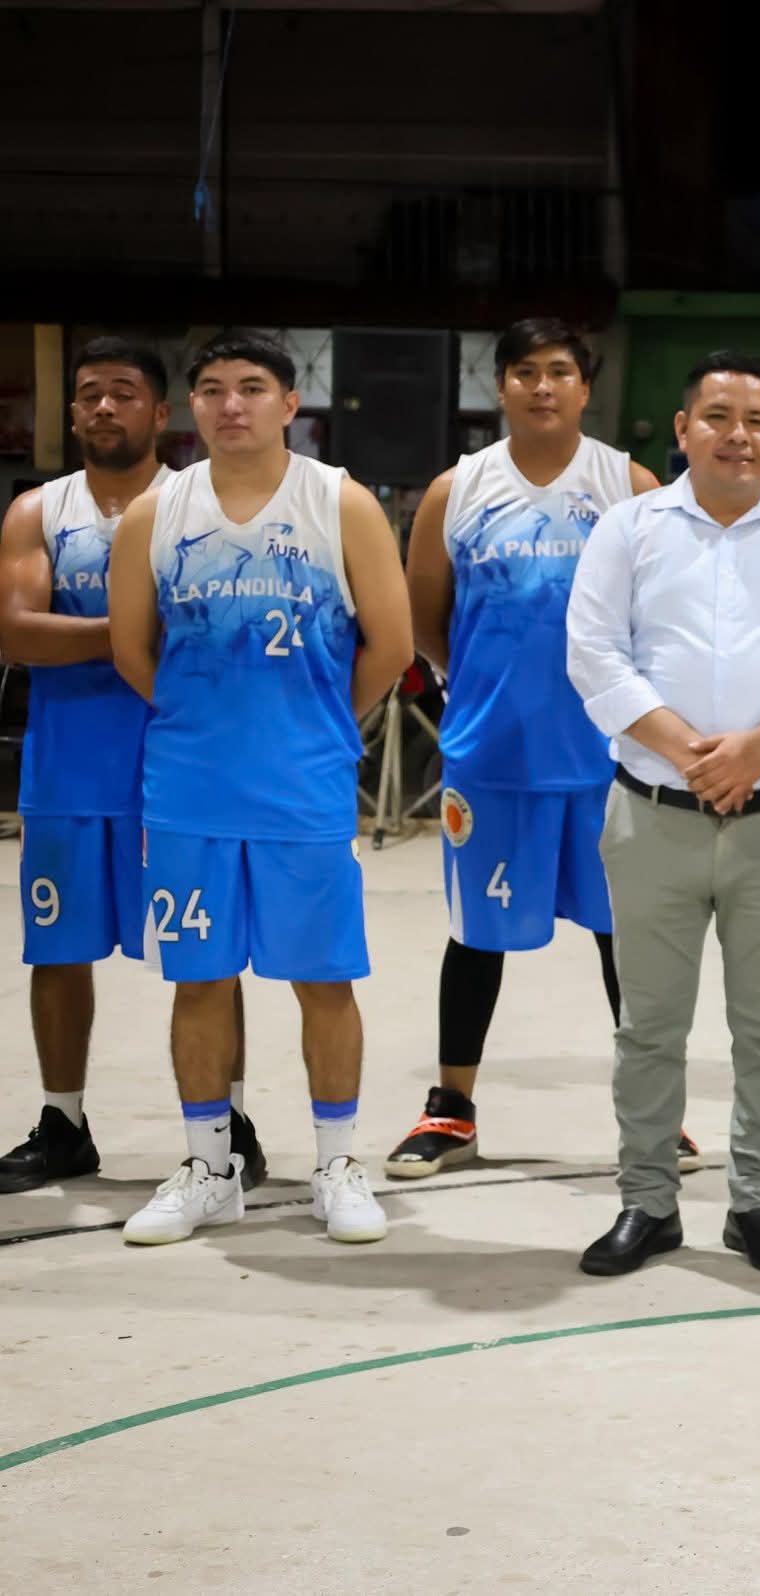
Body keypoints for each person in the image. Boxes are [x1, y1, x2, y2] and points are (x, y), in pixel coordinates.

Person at [566, 352, 760, 1277]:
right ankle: (647, 1204)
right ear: (683, 427)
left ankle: (757, 1201)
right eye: (718, 416)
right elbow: (594, 653)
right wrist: (688, 750)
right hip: (651, 810)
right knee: (648, 1027)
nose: (737, 434)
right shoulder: (630, 528)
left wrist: (755, 750)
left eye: (757, 420)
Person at [106, 329, 413, 1244]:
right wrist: (207, 726)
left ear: (290, 404)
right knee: (199, 980)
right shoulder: (152, 514)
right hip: (190, 788)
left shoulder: (340, 503)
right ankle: (210, 1165)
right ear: (192, 407)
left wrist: (312, 727)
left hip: (303, 786)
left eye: (251, 387)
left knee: (322, 977)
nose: (230, 404)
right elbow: (131, 651)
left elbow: (391, 648)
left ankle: (338, 1163)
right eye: (211, 389)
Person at [377, 319, 694, 1181]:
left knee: (625, 940)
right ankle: (451, 1112)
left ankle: (658, 1115)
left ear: (586, 389)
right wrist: (487, 685)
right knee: (476, 937)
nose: (543, 386)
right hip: (494, 755)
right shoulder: (457, 489)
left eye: (560, 372)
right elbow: (425, 623)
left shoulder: (626, 484)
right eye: (525, 372)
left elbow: (659, 618)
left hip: (609, 757)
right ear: (502, 386)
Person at [0, 339, 265, 1195]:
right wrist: (131, 635)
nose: (104, 408)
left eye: (124, 394)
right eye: (88, 396)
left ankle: (227, 1123)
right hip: (69, 771)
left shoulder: (202, 505)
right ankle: (63, 1121)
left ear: (161, 413)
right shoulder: (39, 510)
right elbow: (16, 631)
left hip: (185, 771)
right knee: (59, 952)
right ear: (71, 413)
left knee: (207, 956)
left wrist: (97, 637)